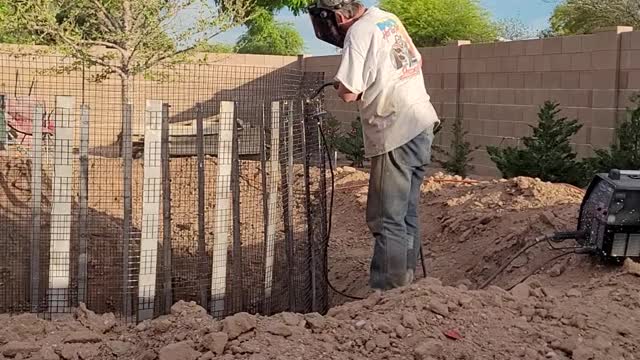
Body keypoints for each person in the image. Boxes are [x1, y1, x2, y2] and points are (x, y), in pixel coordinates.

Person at [314, 0, 441, 291]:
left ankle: (388, 292)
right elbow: (413, 61)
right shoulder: (387, 18)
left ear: (336, 16)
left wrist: (340, 84)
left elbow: (348, 92)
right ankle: (405, 281)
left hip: (395, 128)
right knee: (406, 211)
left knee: (385, 217)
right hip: (420, 123)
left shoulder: (359, 32)